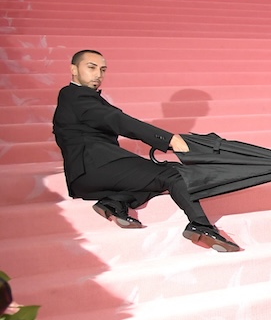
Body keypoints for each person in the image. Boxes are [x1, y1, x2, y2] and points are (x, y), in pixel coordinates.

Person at [51, 50, 240, 252]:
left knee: (157, 174)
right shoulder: (75, 96)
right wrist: (168, 139)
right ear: (73, 69)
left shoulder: (80, 98)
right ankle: (201, 225)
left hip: (86, 174)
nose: (98, 74)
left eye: (103, 69)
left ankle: (114, 203)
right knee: (174, 174)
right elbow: (118, 121)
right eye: (91, 67)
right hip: (95, 167)